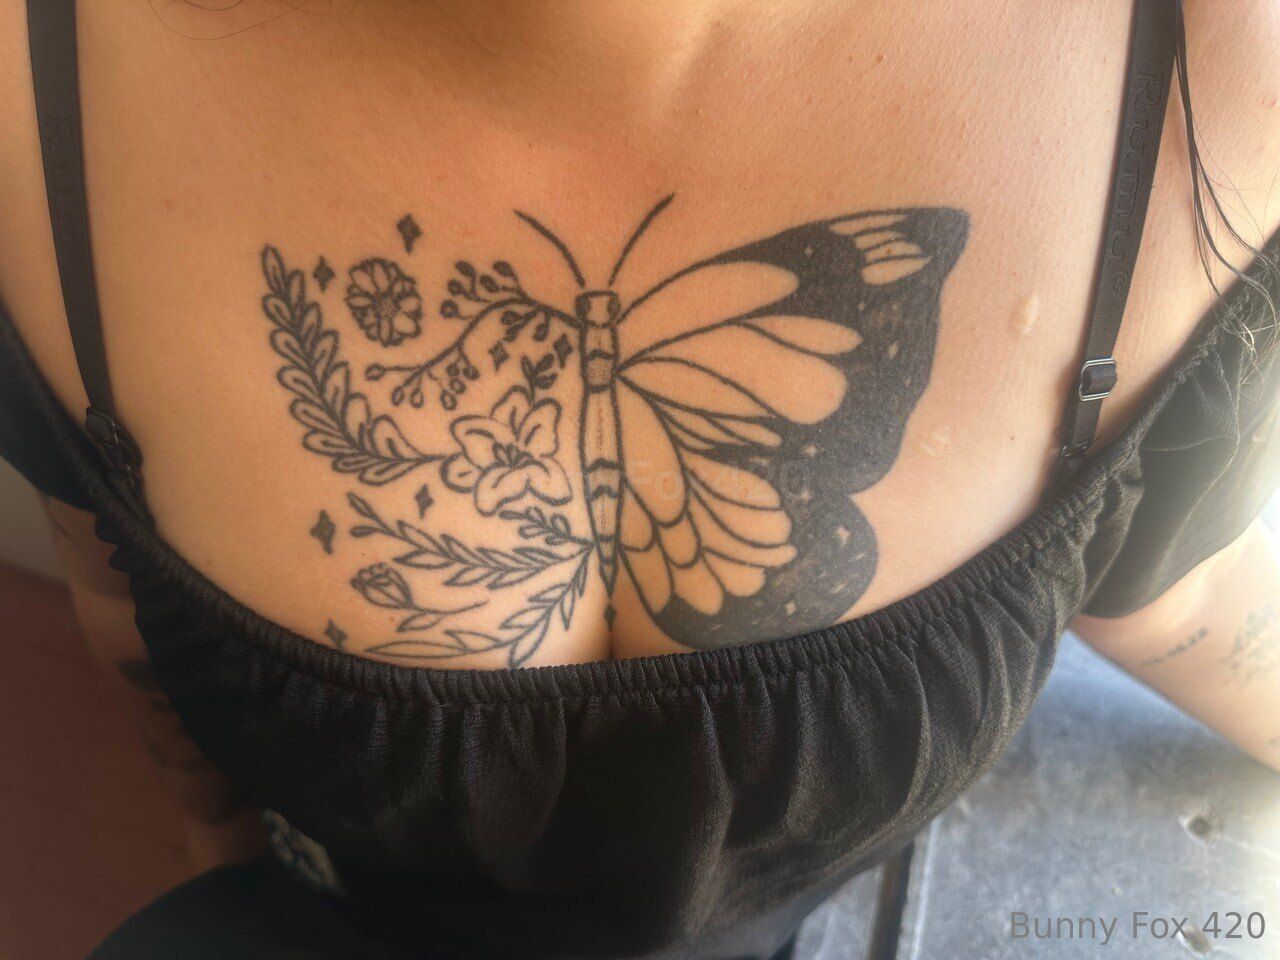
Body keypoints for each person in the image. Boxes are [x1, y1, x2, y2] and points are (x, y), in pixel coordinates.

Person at [0, 1, 1277, 957]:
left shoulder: (1213, 74)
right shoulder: (26, 87)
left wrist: (212, 840)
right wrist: (217, 853)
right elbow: (117, 596)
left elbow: (1166, 574)